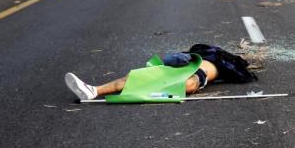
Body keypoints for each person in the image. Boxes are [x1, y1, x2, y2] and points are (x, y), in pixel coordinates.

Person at [65, 44, 256, 102]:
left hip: (196, 72)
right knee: (138, 77)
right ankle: (93, 90)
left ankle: (95, 90)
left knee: (188, 84)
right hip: (185, 67)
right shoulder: (218, 58)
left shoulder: (217, 62)